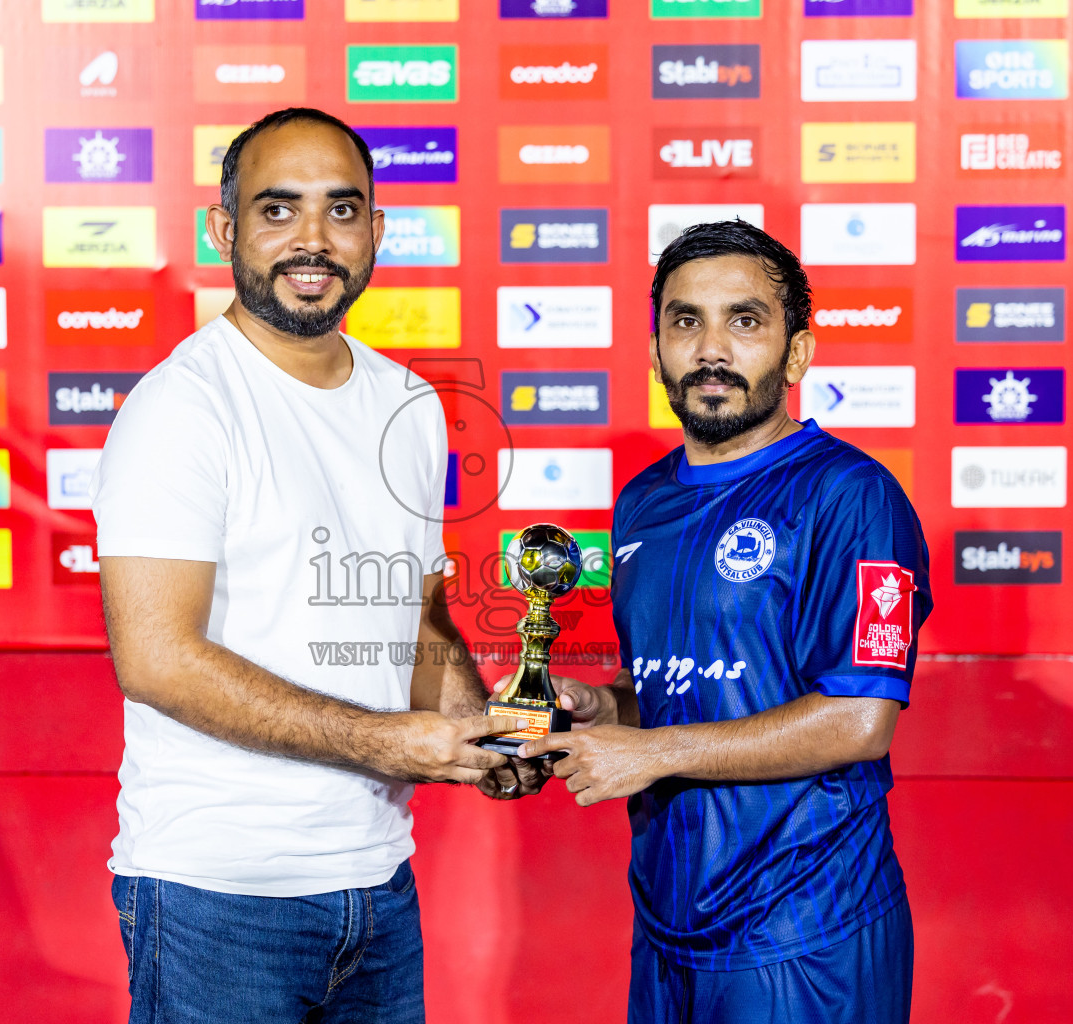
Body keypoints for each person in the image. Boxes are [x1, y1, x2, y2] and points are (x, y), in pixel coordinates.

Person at [93, 107, 535, 1024]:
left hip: (377, 884)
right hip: (217, 896)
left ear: (376, 231)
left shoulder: (409, 403)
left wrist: (480, 729)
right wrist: (385, 742)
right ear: (226, 232)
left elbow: (418, 620)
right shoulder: (182, 409)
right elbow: (157, 660)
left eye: (341, 211)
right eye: (278, 209)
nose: (312, 239)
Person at [518, 220, 933, 1024]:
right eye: (686, 321)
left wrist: (652, 751)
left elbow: (859, 719)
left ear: (799, 353)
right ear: (654, 350)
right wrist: (609, 711)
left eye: (744, 321)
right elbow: (681, 690)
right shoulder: (643, 501)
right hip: (668, 929)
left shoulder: (853, 497)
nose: (712, 348)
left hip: (808, 933)